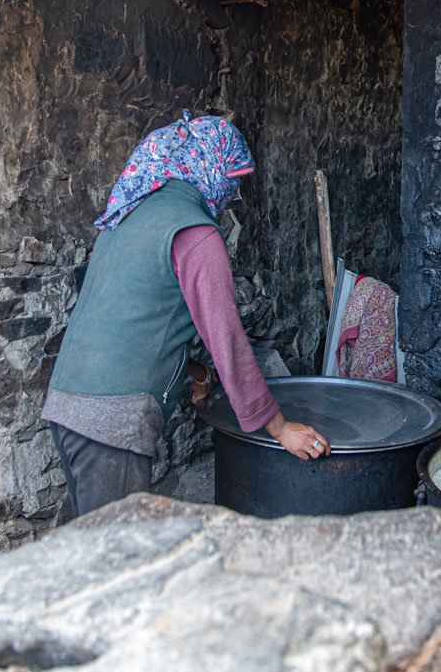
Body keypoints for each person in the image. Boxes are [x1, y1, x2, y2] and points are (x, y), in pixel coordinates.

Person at [41, 112, 331, 517]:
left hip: (68, 409)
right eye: (233, 179)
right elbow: (226, 338)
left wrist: (194, 374)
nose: (232, 194)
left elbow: (135, 325)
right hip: (111, 424)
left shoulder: (127, 217)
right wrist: (281, 428)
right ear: (209, 167)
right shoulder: (196, 234)